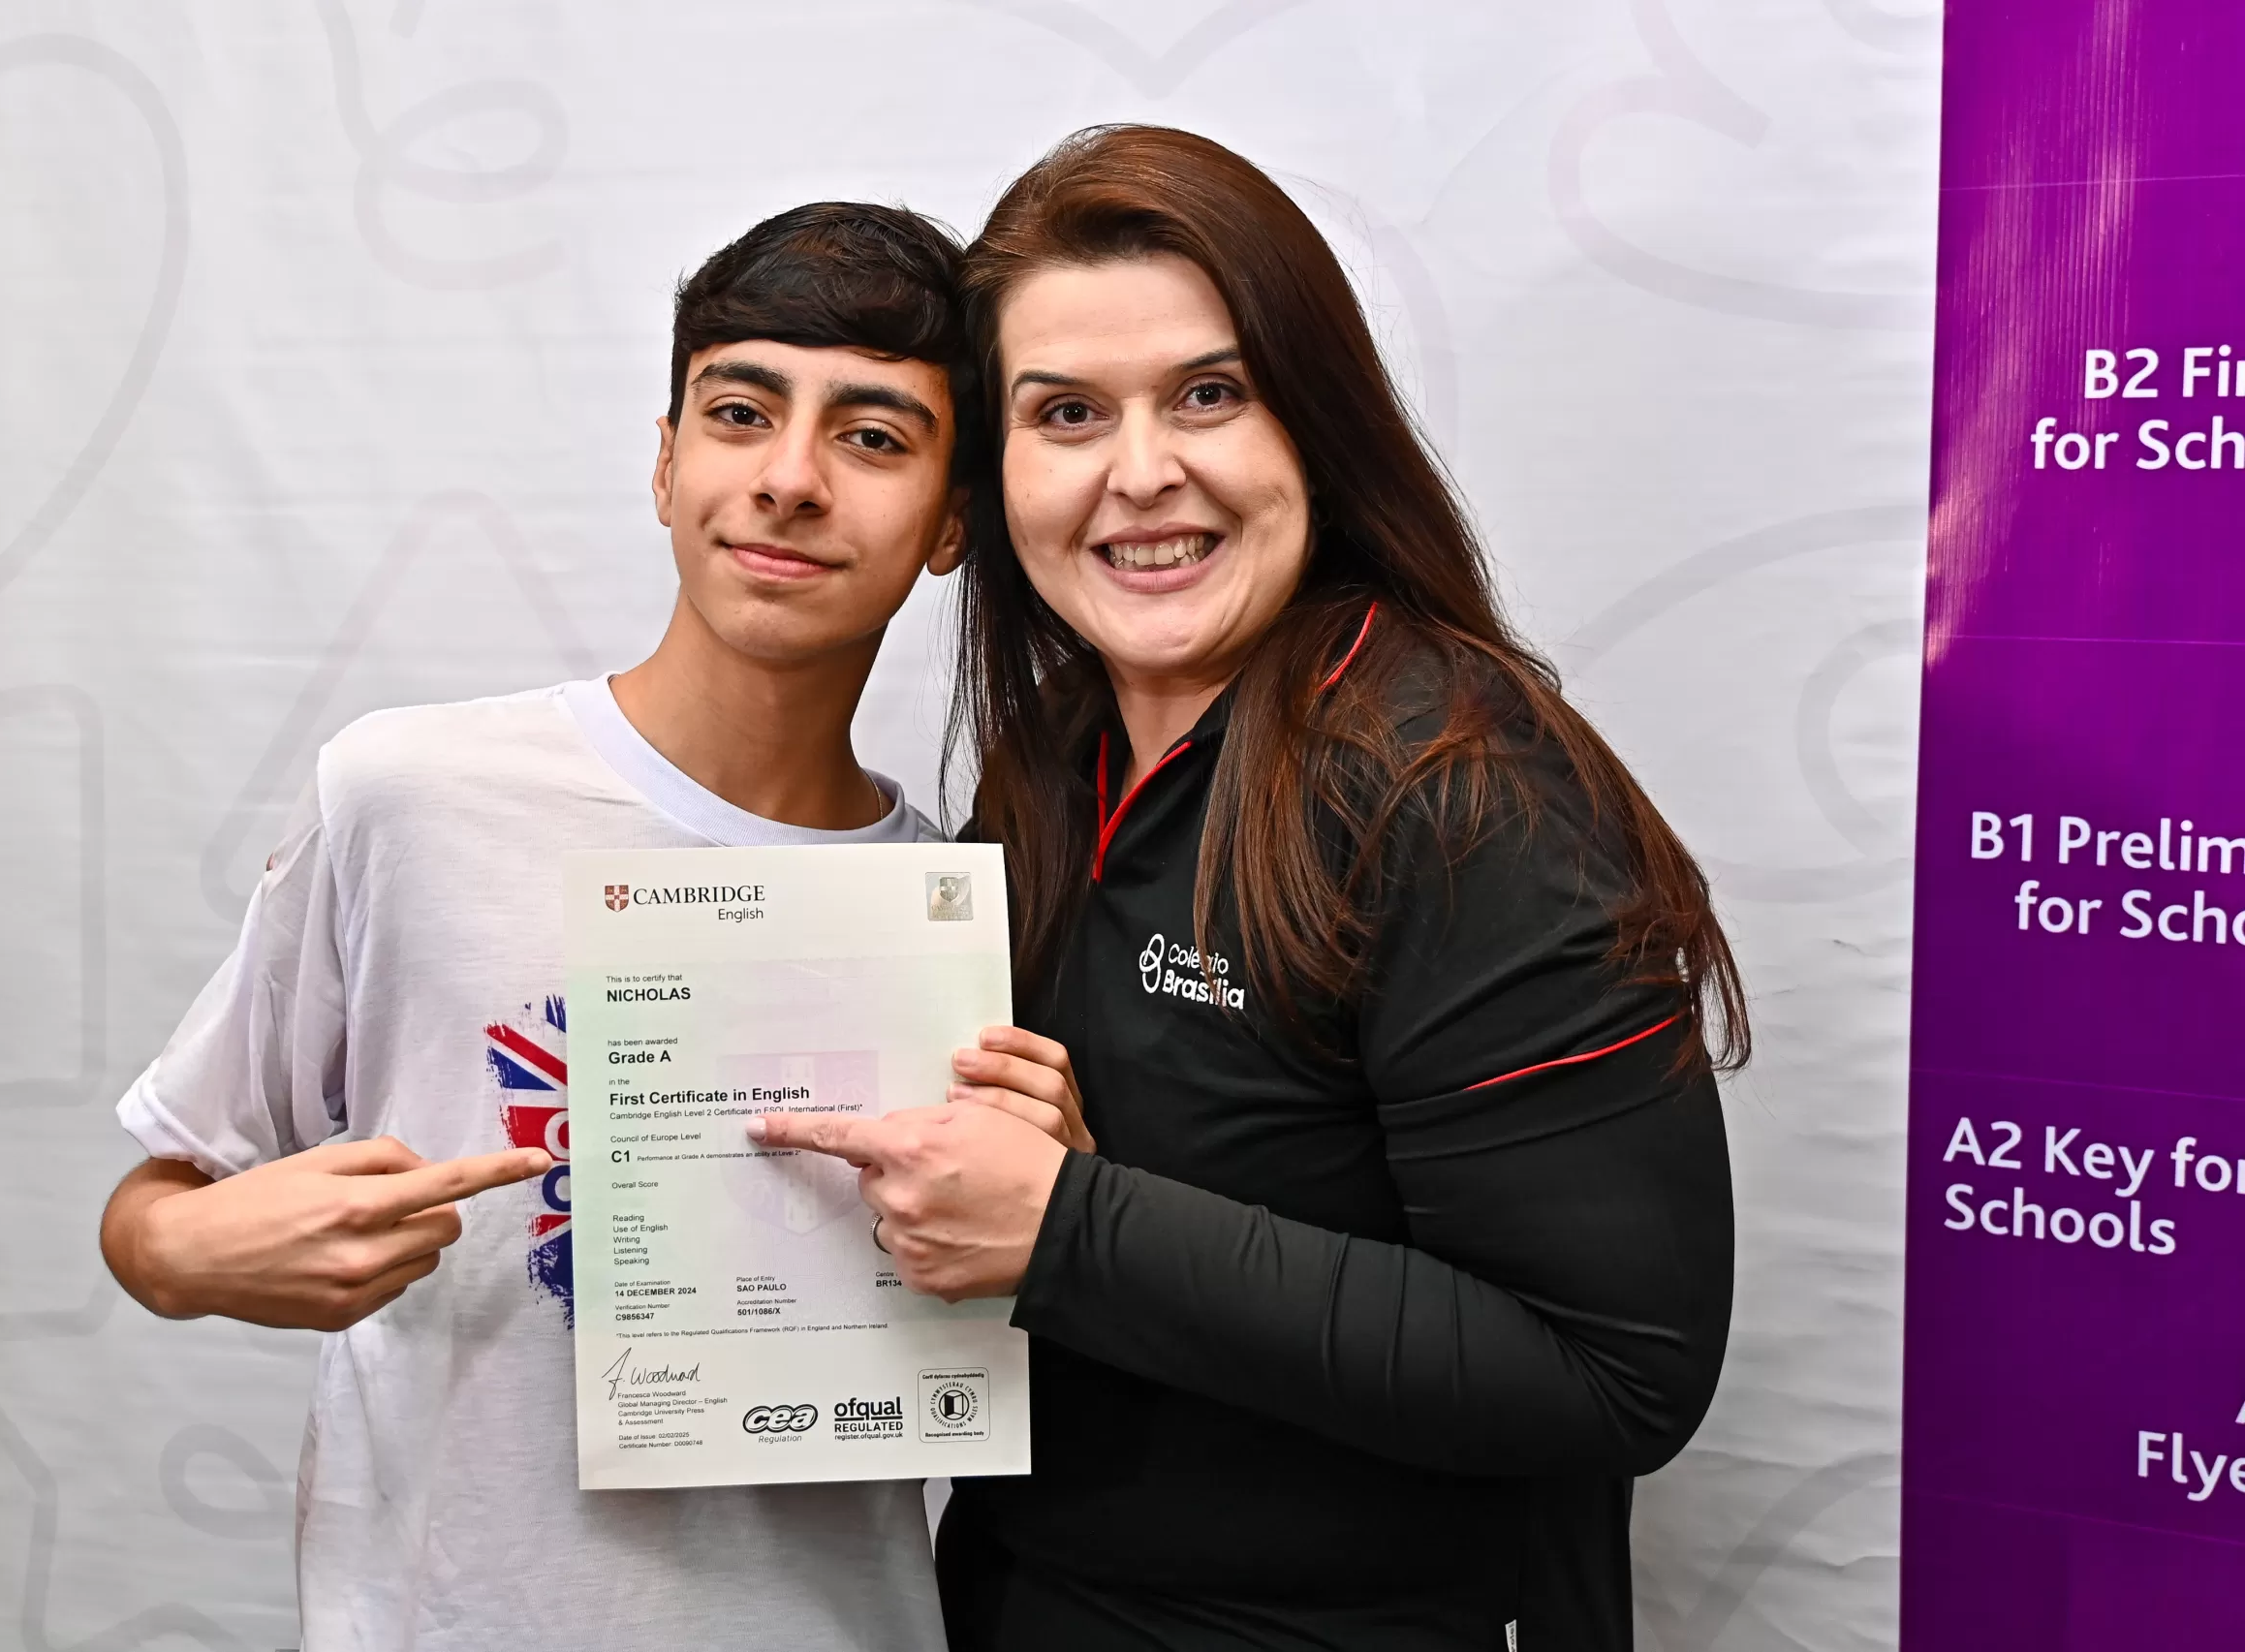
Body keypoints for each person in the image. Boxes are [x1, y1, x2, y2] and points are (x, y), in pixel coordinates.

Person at [752, 126, 1744, 1651]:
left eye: (1209, 394)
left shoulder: (1457, 787)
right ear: (994, 478)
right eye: (1067, 413)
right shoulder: (1054, 754)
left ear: (1315, 425)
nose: (1143, 472)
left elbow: (1613, 1375)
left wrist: (1074, 1225)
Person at [99, 202, 978, 1651]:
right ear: (665, 461)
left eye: (873, 437)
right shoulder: (408, 795)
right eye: (740, 414)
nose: (789, 480)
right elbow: (159, 1199)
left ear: (953, 523)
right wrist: (183, 1257)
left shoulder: (953, 908)